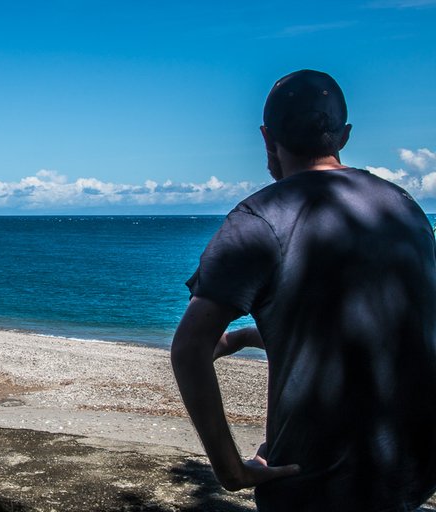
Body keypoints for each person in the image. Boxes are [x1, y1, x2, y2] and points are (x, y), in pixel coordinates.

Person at [171, 69, 436, 511]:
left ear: (265, 137)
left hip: (317, 484)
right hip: (409, 473)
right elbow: (372, 326)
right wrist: (249, 337)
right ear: (344, 136)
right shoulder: (404, 208)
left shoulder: (260, 218)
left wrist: (231, 470)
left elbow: (188, 349)